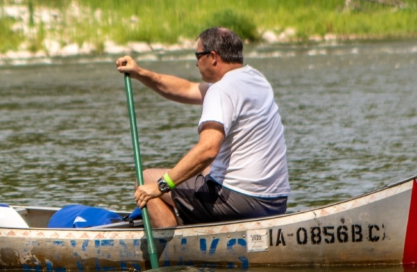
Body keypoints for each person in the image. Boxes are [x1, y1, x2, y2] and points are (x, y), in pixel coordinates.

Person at [116, 27, 289, 227]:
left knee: (145, 178)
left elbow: (207, 149)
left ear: (213, 56)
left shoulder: (221, 90)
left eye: (198, 55)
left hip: (240, 202)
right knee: (207, 170)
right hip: (275, 202)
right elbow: (187, 89)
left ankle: (170, 248)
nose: (196, 62)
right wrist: (140, 73)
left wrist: (160, 186)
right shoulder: (254, 78)